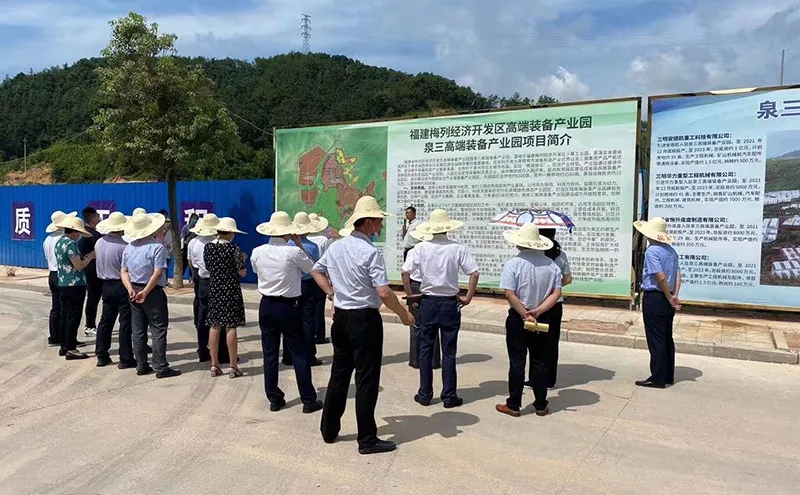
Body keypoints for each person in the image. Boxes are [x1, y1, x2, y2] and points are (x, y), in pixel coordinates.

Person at [311, 196, 414, 455]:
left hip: (342, 318)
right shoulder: (369, 252)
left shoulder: (336, 247)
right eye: (378, 221)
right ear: (367, 223)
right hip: (364, 319)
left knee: (340, 374)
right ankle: (367, 438)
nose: (380, 226)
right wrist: (403, 314)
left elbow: (316, 271)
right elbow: (383, 292)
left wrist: (332, 294)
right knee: (366, 379)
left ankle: (329, 429)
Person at [401, 209, 479, 408]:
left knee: (425, 349)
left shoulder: (420, 248)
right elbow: (474, 273)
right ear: (447, 228)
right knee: (449, 352)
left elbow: (405, 273)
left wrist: (411, 296)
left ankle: (425, 394)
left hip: (428, 302)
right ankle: (449, 395)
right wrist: (468, 297)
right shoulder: (457, 248)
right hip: (449, 303)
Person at [251, 211, 323, 414]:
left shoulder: (258, 251)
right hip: (289, 306)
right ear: (288, 232)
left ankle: (274, 398)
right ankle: (308, 399)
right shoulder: (293, 252)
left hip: (266, 304)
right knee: (299, 353)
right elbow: (312, 268)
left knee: (270, 354)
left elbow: (256, 270)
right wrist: (299, 244)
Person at [496, 224, 562, 418]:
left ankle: (514, 404)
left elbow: (510, 293)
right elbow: (556, 293)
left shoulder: (513, 264)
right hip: (542, 317)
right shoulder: (551, 265)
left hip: (518, 317)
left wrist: (525, 313)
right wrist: (539, 310)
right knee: (540, 361)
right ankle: (540, 404)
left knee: (517, 362)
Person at [121, 211, 181, 379]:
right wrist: (146, 291)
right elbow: (157, 272)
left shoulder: (129, 247)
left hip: (134, 288)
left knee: (138, 330)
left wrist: (130, 289)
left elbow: (124, 271)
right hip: (152, 291)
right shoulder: (156, 247)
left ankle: (141, 364)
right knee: (158, 328)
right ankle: (160, 366)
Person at [634, 217, 681, 389]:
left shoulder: (652, 251)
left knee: (656, 338)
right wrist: (674, 296)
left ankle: (657, 377)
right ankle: (668, 375)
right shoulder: (671, 251)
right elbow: (678, 275)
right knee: (667, 337)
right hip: (668, 297)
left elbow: (660, 277)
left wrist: (668, 297)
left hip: (655, 296)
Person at [526, 227, 571, 389]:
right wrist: (554, 288)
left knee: (535, 342)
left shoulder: (536, 256)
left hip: (537, 304)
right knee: (552, 342)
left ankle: (534, 379)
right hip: (555, 304)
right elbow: (568, 279)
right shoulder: (560, 255)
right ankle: (550, 380)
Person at [204, 217, 248, 378]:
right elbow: (242, 272)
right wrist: (243, 259)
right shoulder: (234, 249)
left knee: (214, 326)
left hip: (215, 289)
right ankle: (233, 365)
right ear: (229, 233)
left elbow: (208, 267)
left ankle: (214, 364)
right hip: (230, 290)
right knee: (231, 326)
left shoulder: (208, 247)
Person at [94, 212, 136, 369]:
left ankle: (101, 354)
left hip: (105, 284)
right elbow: (127, 269)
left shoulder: (99, 242)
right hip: (121, 284)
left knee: (106, 319)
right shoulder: (124, 246)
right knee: (125, 322)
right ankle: (125, 357)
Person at [53, 215, 96, 360]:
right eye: (78, 232)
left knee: (64, 315)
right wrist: (90, 257)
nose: (79, 235)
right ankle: (71, 348)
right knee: (73, 316)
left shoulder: (59, 242)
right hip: (74, 284)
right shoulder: (71, 244)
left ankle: (64, 345)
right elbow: (78, 266)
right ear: (74, 231)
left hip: (63, 283)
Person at [402, 231, 442, 370]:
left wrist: (409, 294)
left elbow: (405, 273)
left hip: (416, 286)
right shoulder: (437, 251)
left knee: (416, 324)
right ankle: (434, 361)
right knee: (433, 324)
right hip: (432, 287)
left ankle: (416, 360)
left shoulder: (413, 251)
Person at [289, 212, 324, 367]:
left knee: (291, 320)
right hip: (308, 284)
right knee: (307, 320)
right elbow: (315, 266)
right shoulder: (313, 247)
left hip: (291, 284)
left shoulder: (287, 245)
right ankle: (310, 355)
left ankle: (289, 355)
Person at [187, 214, 220, 362]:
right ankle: (220, 352)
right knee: (219, 318)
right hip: (217, 281)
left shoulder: (194, 242)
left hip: (201, 279)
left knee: (202, 317)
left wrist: (196, 276)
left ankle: (202, 349)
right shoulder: (218, 243)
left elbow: (191, 262)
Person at [43, 210, 77, 347]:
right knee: (66, 310)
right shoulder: (64, 240)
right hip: (63, 275)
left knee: (56, 307)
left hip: (52, 274)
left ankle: (54, 336)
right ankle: (66, 339)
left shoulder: (47, 239)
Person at [306, 213, 332, 345]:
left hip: (306, 276)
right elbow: (327, 260)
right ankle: (319, 335)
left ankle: (309, 334)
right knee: (319, 306)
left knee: (308, 308)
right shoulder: (323, 240)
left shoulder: (303, 239)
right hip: (320, 275)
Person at [79, 207, 102, 337]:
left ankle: (91, 325)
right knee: (93, 298)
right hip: (93, 271)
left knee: (93, 298)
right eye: (98, 216)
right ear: (93, 219)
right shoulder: (92, 235)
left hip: (91, 270)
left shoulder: (86, 233)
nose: (99, 218)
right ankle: (90, 326)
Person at [181, 213, 199, 280]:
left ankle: (191, 278)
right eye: (194, 218)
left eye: (196, 219)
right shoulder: (185, 227)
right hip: (186, 246)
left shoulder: (197, 228)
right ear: (190, 219)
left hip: (193, 247)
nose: (195, 220)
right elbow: (182, 238)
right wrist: (182, 248)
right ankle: (181, 277)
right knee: (184, 263)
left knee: (192, 263)